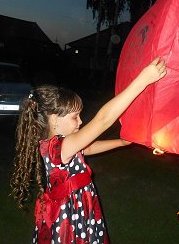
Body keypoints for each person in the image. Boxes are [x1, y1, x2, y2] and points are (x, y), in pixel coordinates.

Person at [10, 57, 166, 244]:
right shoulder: (59, 146)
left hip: (76, 207)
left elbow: (88, 147)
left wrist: (123, 142)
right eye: (75, 117)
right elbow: (103, 120)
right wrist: (143, 80)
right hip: (70, 214)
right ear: (54, 119)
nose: (81, 122)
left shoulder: (58, 144)